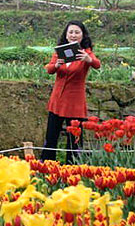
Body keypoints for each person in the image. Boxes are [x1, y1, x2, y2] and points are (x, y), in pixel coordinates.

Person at [41, 20, 100, 162]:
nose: (73, 35)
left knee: (74, 139)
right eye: (71, 32)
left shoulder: (85, 53)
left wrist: (88, 59)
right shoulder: (60, 52)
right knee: (51, 136)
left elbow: (97, 64)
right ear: (66, 35)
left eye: (77, 32)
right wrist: (56, 65)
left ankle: (72, 167)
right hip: (57, 100)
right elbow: (49, 69)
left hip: (74, 102)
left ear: (82, 35)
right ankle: (47, 164)